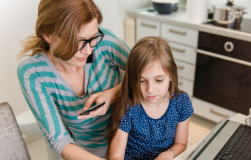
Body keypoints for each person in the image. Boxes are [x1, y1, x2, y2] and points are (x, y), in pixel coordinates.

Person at [17, 0, 130, 159]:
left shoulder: (102, 43)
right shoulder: (33, 73)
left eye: (93, 37)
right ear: (48, 35)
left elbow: (145, 74)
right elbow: (59, 139)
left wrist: (111, 95)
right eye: (78, 41)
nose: (89, 50)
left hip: (137, 142)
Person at [108, 37, 194, 160]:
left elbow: (181, 144)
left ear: (171, 75)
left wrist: (169, 154)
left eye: (158, 80)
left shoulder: (181, 102)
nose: (150, 89)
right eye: (142, 80)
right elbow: (116, 156)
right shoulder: (128, 106)